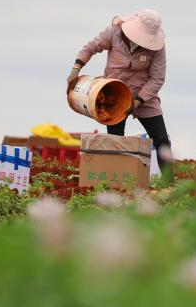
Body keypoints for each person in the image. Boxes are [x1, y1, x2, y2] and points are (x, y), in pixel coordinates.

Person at [70, 9, 174, 181]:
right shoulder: (114, 32)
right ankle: (116, 180)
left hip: (144, 96)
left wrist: (138, 101)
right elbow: (91, 47)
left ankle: (170, 182)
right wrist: (76, 68)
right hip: (114, 94)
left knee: (161, 138)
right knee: (115, 140)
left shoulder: (157, 47)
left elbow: (157, 78)